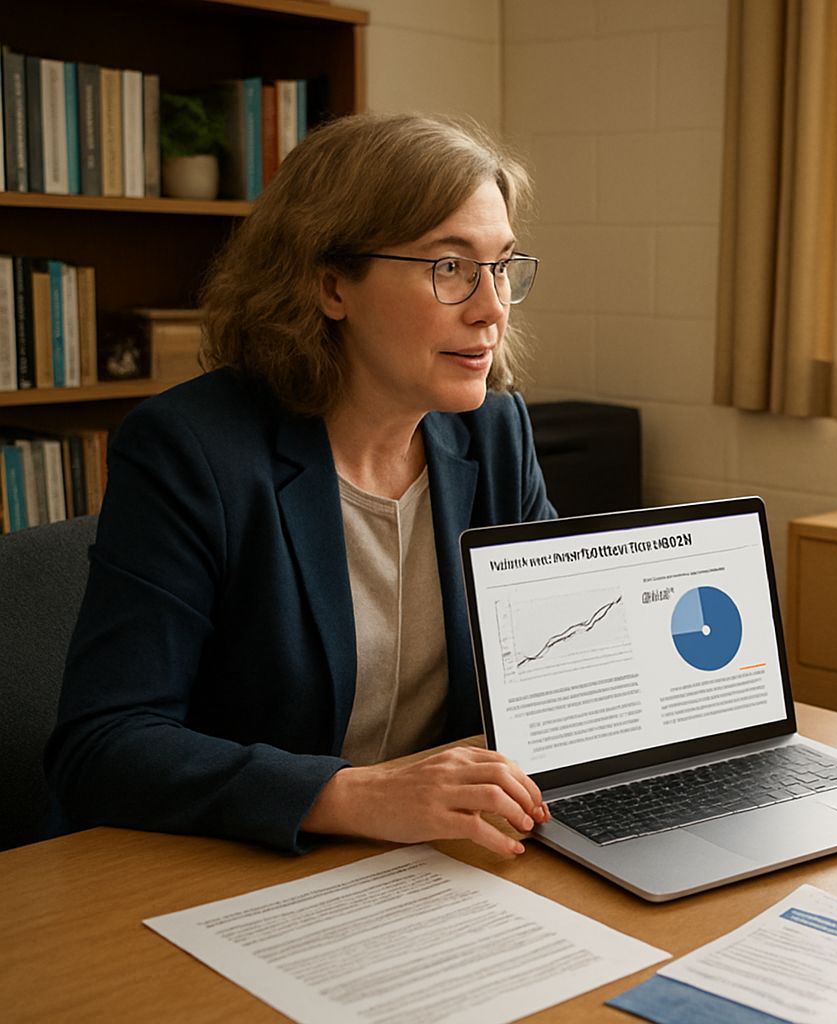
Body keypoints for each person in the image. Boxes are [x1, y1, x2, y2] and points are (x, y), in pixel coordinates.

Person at [46, 113, 556, 858]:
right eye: (449, 267)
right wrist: (354, 794)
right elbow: (104, 743)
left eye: (502, 266)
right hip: (239, 866)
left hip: (434, 862)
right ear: (329, 285)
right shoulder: (190, 451)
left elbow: (551, 667)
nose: (491, 307)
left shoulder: (496, 432)